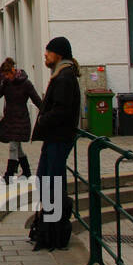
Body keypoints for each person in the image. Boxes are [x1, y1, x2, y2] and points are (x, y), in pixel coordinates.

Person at [29, 37, 81, 251]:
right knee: (46, 181)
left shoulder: (64, 77)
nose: (45, 55)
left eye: (48, 52)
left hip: (58, 138)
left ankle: (53, 233)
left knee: (50, 184)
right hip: (55, 138)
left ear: (58, 54)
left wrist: (43, 119)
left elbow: (61, 110)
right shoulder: (62, 74)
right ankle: (50, 230)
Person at [0, 57, 42, 182]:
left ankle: (9, 175)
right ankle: (26, 171)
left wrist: (46, 112)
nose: (7, 77)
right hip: (9, 119)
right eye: (4, 75)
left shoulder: (25, 83)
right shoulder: (6, 83)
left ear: (13, 71)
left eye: (7, 74)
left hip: (21, 119)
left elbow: (36, 99)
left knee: (13, 146)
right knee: (17, 147)